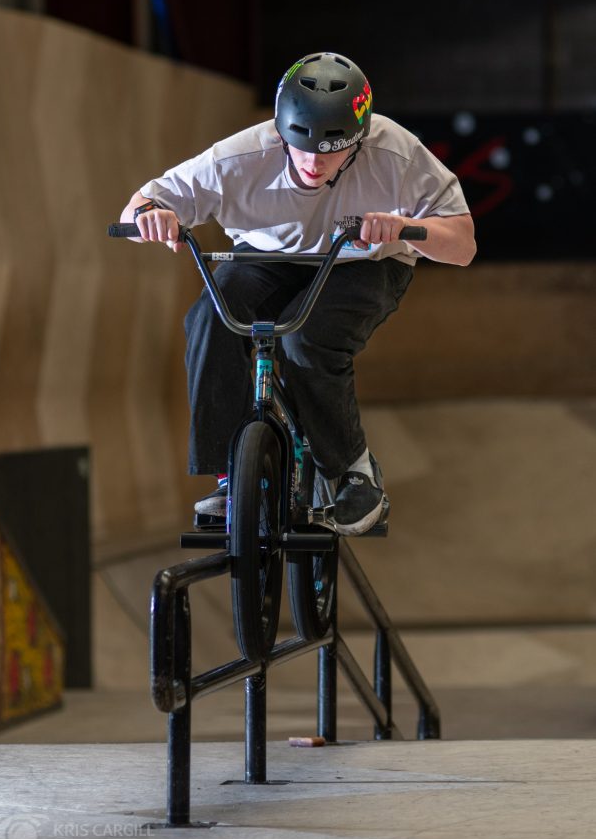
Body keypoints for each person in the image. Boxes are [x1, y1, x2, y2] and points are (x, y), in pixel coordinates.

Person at [120, 52, 476, 534]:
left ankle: (354, 473)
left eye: (331, 151)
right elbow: (140, 205)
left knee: (306, 340)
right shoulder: (240, 156)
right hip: (267, 257)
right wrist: (151, 217)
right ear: (280, 130)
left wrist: (405, 227)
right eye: (301, 147)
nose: (313, 163)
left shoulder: (397, 153)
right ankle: (230, 477)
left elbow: (463, 245)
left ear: (359, 139)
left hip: (362, 261)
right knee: (211, 316)